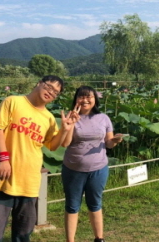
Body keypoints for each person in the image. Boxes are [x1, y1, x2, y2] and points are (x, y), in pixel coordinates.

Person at [0, 75, 79, 242]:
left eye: (56, 92)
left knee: (24, 232)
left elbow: (53, 146)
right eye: (49, 87)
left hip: (29, 181)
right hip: (2, 178)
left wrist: (65, 129)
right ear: (39, 83)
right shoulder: (13, 101)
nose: (51, 93)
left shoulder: (48, 117)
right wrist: (4, 159)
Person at [61, 86, 124, 242]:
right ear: (76, 99)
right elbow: (65, 143)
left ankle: (99, 238)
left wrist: (115, 141)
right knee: (72, 205)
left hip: (98, 168)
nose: (85, 100)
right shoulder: (70, 117)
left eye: (89, 97)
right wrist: (70, 124)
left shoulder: (103, 118)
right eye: (81, 97)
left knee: (95, 203)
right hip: (73, 168)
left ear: (95, 99)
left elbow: (108, 144)